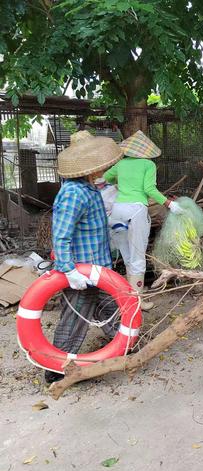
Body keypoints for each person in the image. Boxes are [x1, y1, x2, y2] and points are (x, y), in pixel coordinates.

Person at [47, 131, 124, 384]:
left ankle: (126, 347)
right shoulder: (73, 193)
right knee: (74, 320)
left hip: (99, 270)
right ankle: (55, 369)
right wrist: (68, 270)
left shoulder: (89, 188)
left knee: (110, 308)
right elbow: (61, 235)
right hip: (81, 272)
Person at [104, 130, 184, 311]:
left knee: (126, 255)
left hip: (118, 211)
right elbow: (149, 189)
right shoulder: (148, 165)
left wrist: (120, 185)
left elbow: (105, 179)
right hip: (136, 211)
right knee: (138, 256)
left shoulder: (121, 164)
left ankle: (128, 298)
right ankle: (136, 302)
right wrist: (169, 203)